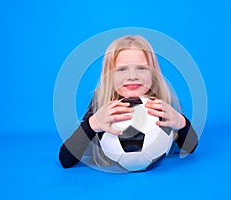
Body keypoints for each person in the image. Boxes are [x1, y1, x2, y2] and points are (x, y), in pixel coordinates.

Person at [59, 35, 198, 169]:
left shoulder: (159, 103)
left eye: (142, 68)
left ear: (153, 73)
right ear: (109, 75)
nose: (132, 76)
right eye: (122, 69)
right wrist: (93, 124)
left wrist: (181, 122)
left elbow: (190, 148)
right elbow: (65, 159)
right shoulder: (100, 101)